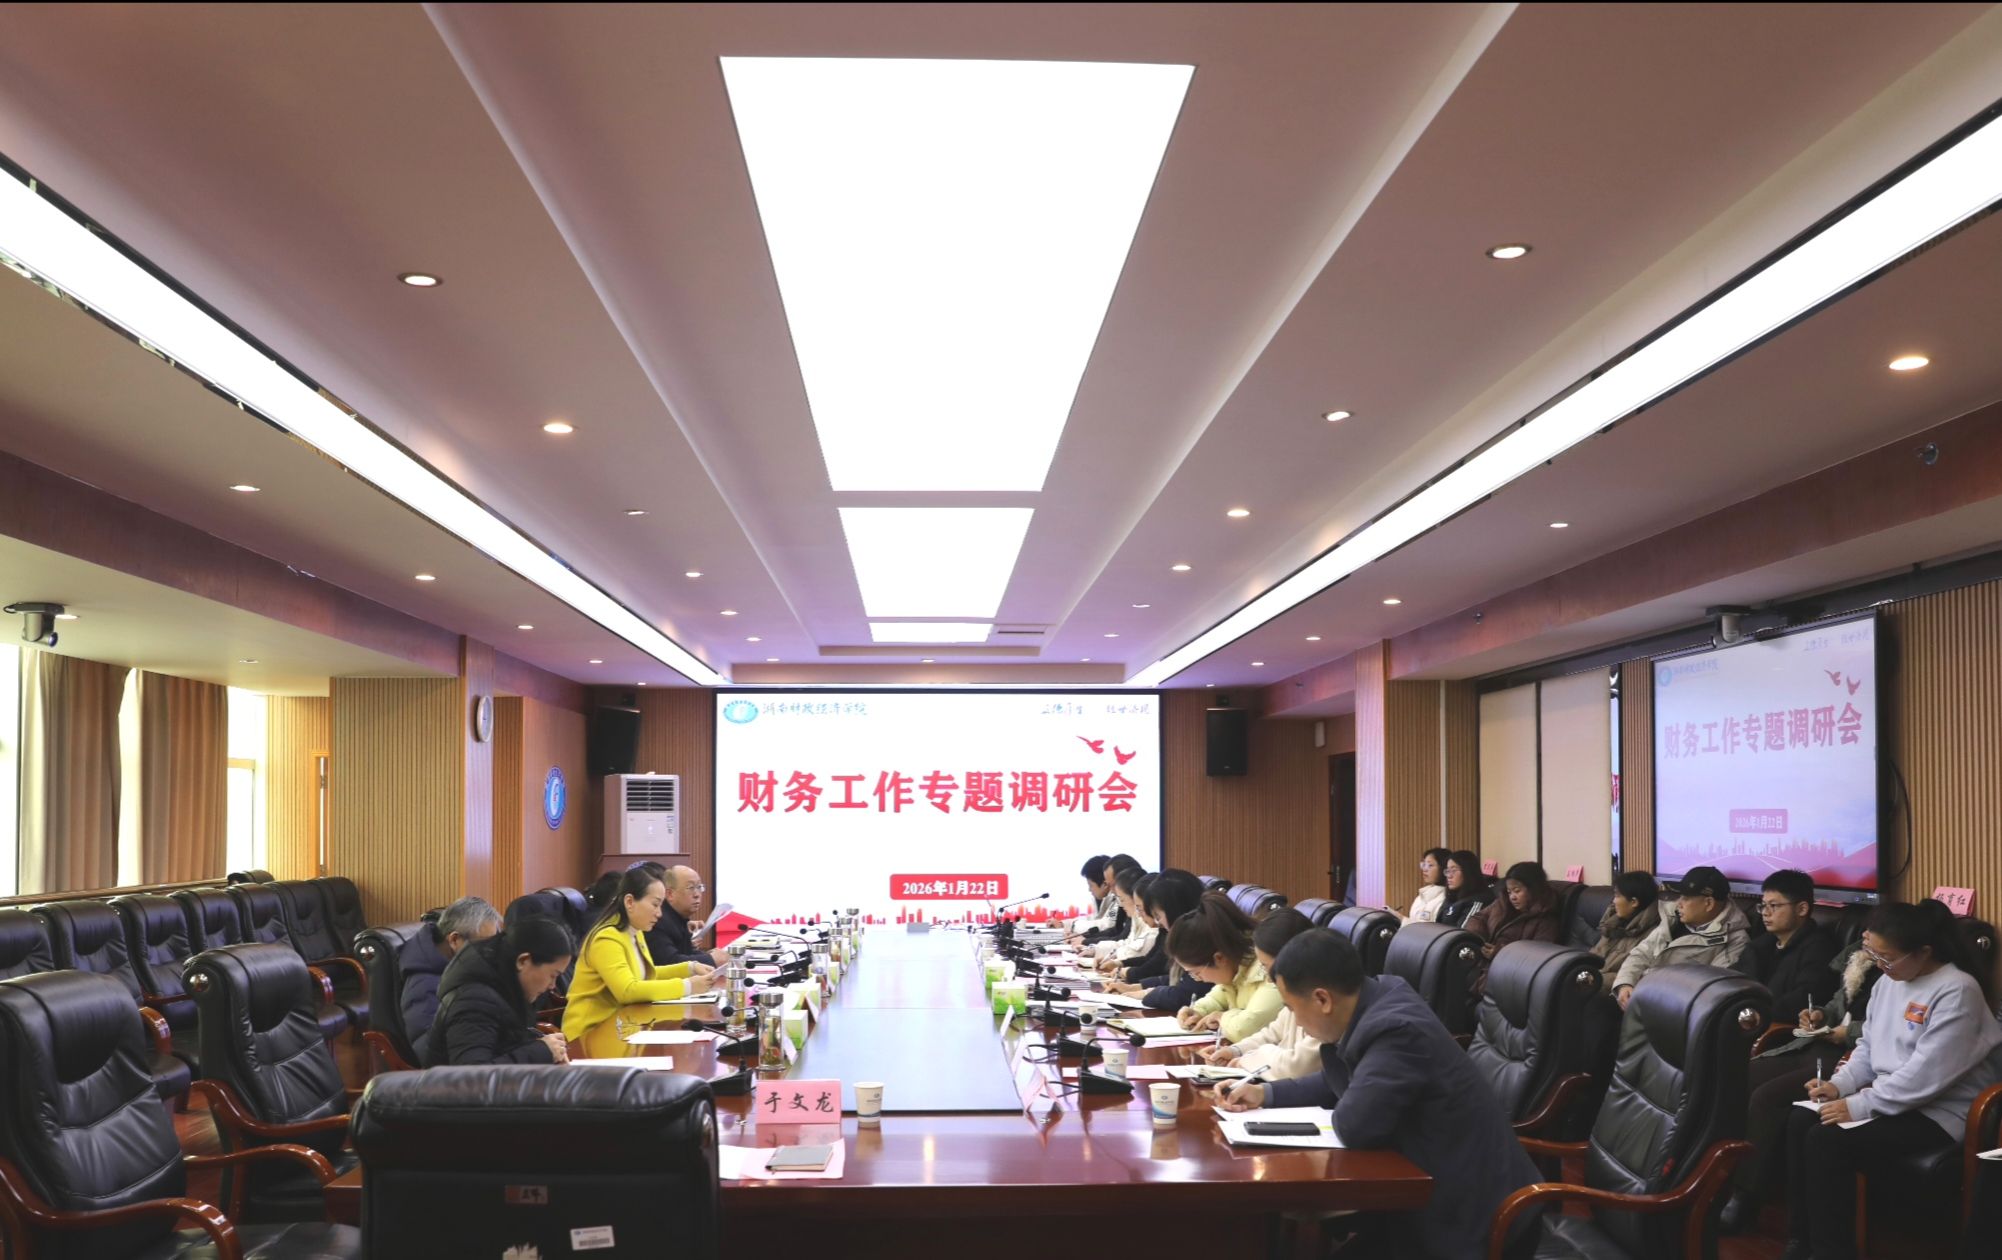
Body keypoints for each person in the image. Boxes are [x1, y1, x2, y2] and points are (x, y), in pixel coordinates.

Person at [1217, 929, 1541, 1260]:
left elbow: (1355, 1126)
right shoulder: (1377, 997)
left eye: (1293, 1009)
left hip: (1470, 1215)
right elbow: (1340, 1081)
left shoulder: (1395, 1030)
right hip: (1423, 1191)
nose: (1297, 1024)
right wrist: (1265, 1093)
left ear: (1322, 999)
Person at [1784, 900, 2002, 1260]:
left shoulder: (1957, 990)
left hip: (1940, 1111)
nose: (1880, 965)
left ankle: (1832, 1252)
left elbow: (1926, 1076)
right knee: (1799, 1119)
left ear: (1923, 952)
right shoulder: (1889, 982)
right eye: (1874, 955)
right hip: (1892, 1098)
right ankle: (1800, 1240)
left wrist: (1858, 1105)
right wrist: (1839, 1085)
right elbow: (1868, 1047)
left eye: (1887, 958)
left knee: (1827, 1140)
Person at [1719, 937, 1882, 1234]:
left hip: (1847, 1058)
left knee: (1766, 1098)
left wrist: (1845, 1033)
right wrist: (1818, 1015)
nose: (1867, 936)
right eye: (1867, 930)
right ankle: (1716, 1177)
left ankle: (1746, 1196)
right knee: (1739, 1076)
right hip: (1815, 1045)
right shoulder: (1861, 961)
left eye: (1874, 931)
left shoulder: (1896, 974)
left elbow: (1881, 1030)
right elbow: (1837, 1004)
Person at [562, 866, 716, 1059]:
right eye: (655, 905)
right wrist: (687, 986)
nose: (659, 914)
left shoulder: (635, 931)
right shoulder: (607, 938)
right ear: (629, 902)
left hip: (624, 1026)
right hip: (590, 1035)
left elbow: (647, 974)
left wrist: (690, 968)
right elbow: (628, 990)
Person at [423, 915, 574, 1066]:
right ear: (523, 961)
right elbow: (472, 1074)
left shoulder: (506, 987)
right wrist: (541, 1051)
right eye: (553, 975)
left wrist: (542, 1045)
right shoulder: (474, 1000)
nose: (553, 986)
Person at [1200, 908, 1321, 1080]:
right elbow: (1272, 1034)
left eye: (1266, 966)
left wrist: (1248, 1060)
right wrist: (1235, 1051)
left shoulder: (1320, 999)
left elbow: (1295, 1066)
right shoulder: (1297, 993)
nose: (1269, 978)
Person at [1611, 865, 1750, 1009]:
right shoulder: (1672, 918)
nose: (1678, 903)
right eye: (1679, 896)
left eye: (1686, 898)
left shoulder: (1735, 941)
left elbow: (1710, 988)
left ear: (1708, 903)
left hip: (1673, 1008)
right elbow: (1641, 953)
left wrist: (1648, 993)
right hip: (1642, 995)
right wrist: (1625, 984)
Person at [1172, 892, 1281, 1043]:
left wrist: (1221, 1017)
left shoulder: (1268, 967)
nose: (1198, 979)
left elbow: (1245, 1029)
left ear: (1219, 958)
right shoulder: (1238, 964)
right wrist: (1198, 1010)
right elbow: (1220, 996)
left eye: (1196, 973)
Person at [400, 895, 500, 1056]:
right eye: (484, 944)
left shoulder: (465, 967)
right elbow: (428, 1051)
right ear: (454, 940)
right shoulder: (425, 986)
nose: (491, 952)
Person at [1733, 869, 1838, 1018]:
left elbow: (1803, 1001)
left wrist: (1755, 1012)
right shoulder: (1759, 946)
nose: (1765, 912)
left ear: (1802, 909)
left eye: (1773, 905)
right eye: (1763, 905)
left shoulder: (1819, 949)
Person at [1102, 869, 1205, 1006]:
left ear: (1174, 910)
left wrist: (1146, 993)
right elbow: (1178, 980)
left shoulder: (1200, 939)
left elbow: (1186, 994)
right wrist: (1136, 988)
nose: (1158, 923)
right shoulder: (1184, 934)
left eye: (1158, 915)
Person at [1466, 861, 1563, 998]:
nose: (1512, 897)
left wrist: (1501, 953)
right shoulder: (1502, 903)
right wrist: (1479, 938)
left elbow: (1537, 958)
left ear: (1533, 889)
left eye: (1517, 891)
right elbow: (1477, 918)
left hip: (1506, 975)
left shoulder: (1546, 920)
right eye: (1509, 891)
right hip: (1482, 964)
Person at [644, 863, 727, 967]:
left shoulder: (680, 918)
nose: (697, 894)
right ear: (670, 894)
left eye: (699, 887)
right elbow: (669, 962)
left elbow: (686, 953)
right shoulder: (658, 920)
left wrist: (709, 956)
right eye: (691, 887)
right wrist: (711, 959)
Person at [1589, 870, 1662, 980]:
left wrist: (1593, 981)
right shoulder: (1612, 924)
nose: (1613, 901)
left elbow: (1632, 977)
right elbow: (1593, 956)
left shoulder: (1653, 934)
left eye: (1617, 896)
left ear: (1634, 902)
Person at [1090, 867, 1157, 972]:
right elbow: (1129, 943)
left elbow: (1139, 950)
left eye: (1122, 899)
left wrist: (1115, 961)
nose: (1120, 905)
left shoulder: (1151, 922)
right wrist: (1098, 950)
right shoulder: (1135, 915)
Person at [1391, 848, 1453, 923]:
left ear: (1444, 868)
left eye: (1430, 865)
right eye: (1424, 865)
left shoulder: (1447, 899)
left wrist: (1402, 919)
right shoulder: (1421, 896)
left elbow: (1430, 928)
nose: (1425, 869)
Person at [1437, 851, 1490, 929]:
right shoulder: (1452, 896)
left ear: (1468, 871)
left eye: (1454, 870)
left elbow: (1462, 933)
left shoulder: (1479, 900)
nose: (1449, 876)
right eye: (1447, 871)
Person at [1070, 854, 1114, 933]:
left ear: (1104, 884)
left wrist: (1073, 926)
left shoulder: (1117, 898)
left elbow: (1108, 924)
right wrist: (1066, 924)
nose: (1089, 890)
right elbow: (1093, 919)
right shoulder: (1101, 898)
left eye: (1090, 885)